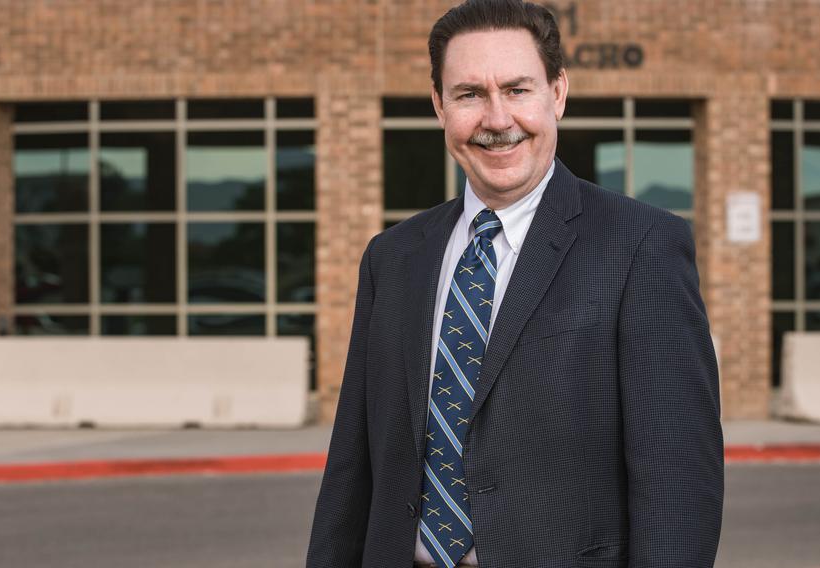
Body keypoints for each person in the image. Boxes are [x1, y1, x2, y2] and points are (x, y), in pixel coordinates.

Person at [306, 0, 724, 566]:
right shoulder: (393, 257)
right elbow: (352, 467)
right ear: (439, 106)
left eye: (518, 89)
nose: (497, 119)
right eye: (469, 94)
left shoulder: (642, 246)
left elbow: (679, 486)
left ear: (557, 93)